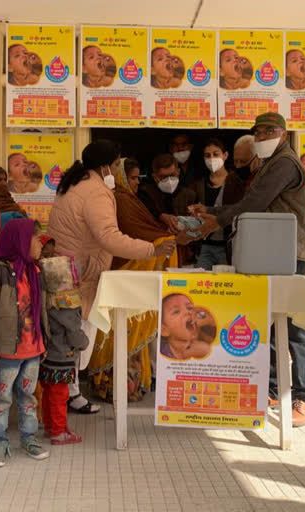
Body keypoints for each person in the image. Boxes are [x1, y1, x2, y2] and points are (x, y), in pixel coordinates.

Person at [193, 112, 305, 428]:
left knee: (293, 325)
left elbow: (258, 202)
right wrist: (211, 211)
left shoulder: (285, 163)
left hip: (290, 253)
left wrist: (217, 220)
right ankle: (275, 389)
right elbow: (250, 201)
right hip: (270, 252)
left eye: (268, 132)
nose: (262, 137)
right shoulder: (269, 164)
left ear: (284, 134)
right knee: (271, 321)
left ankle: (303, 395)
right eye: (258, 133)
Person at [47, 140, 176, 414]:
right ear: (105, 165)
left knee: (68, 337)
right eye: (117, 165)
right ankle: (63, 399)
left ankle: (70, 394)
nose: (118, 171)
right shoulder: (95, 192)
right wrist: (151, 248)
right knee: (76, 339)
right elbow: (109, 237)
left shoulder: (74, 184)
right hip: (80, 273)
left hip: (68, 269)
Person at [86, 158, 183, 402]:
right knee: (117, 329)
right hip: (122, 271)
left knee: (127, 331)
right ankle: (110, 384)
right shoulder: (117, 198)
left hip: (130, 275)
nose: (136, 184)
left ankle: (127, 385)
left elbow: (146, 230)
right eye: (131, 178)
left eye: (138, 179)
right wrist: (161, 242)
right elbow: (133, 231)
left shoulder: (128, 198)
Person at [0, 218, 50, 467]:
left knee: (28, 396)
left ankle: (29, 439)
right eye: (36, 239)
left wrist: (44, 339)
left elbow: (41, 311)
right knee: (2, 397)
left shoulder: (34, 271)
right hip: (8, 350)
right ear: (20, 242)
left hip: (32, 350)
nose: (40, 245)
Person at [38, 253, 89, 445]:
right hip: (63, 358)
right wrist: (84, 343)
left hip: (47, 356)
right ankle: (59, 432)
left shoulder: (47, 299)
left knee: (48, 393)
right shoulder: (68, 306)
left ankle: (50, 426)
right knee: (60, 395)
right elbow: (74, 335)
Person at [191, 139, 246, 270]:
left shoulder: (236, 182)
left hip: (227, 246)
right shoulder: (198, 184)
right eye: (207, 155)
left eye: (216, 154)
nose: (211, 158)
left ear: (225, 155)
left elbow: (239, 210)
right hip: (204, 245)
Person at [138, 153, 197, 233]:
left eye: (172, 175)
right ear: (155, 177)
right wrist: (161, 216)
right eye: (163, 177)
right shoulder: (146, 194)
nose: (169, 180)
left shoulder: (190, 195)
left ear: (178, 172)